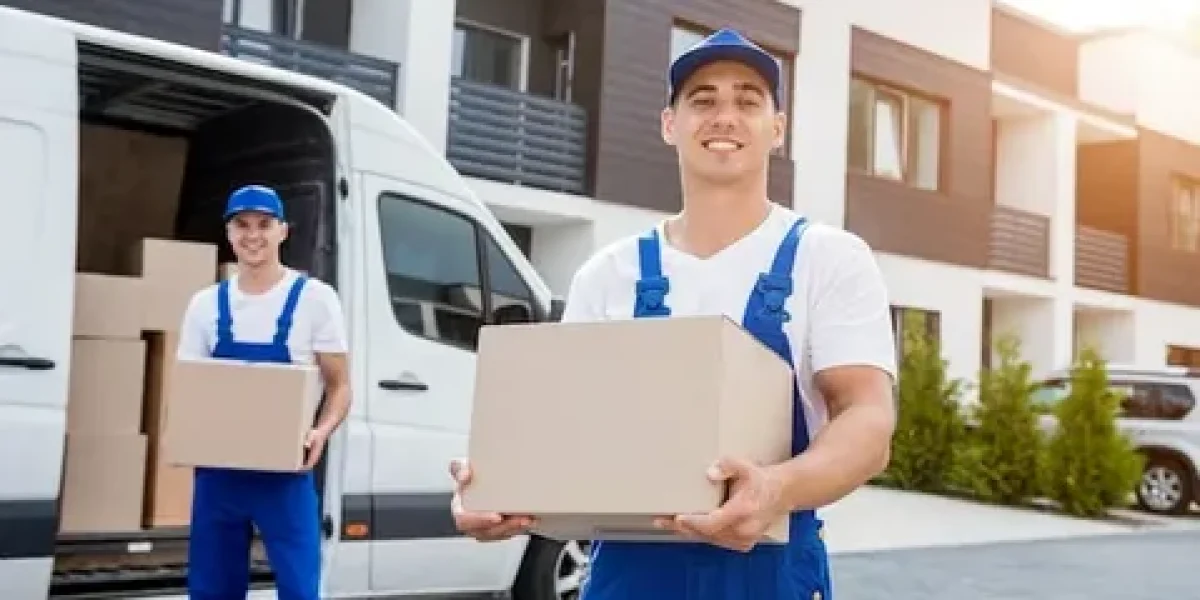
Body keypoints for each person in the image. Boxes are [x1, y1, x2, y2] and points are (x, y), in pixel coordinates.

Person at [449, 27, 898, 599]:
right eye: (703, 101)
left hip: (770, 571)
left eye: (747, 101)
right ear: (669, 124)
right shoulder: (607, 276)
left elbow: (867, 419)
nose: (724, 117)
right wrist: (498, 487)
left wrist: (776, 488)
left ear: (777, 129)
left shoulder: (828, 258)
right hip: (628, 574)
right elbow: (571, 434)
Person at [176, 184, 352, 600]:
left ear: (283, 231)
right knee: (211, 591)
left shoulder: (315, 300)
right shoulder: (205, 305)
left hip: (285, 474)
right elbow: (190, 389)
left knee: (299, 590)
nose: (253, 235)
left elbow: (340, 386)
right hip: (218, 475)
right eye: (242, 225)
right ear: (228, 233)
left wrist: (321, 432)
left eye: (264, 224)